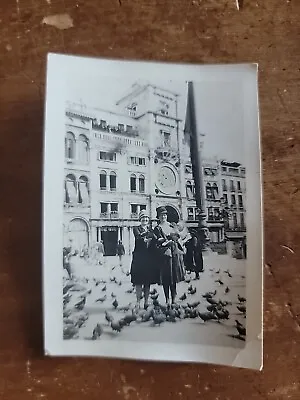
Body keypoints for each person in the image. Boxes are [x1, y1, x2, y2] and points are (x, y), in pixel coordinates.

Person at [153, 206, 185, 305]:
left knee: (174, 278)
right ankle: (167, 299)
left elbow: (178, 237)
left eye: (165, 215)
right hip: (164, 256)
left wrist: (174, 239)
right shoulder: (157, 228)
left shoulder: (172, 226)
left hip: (174, 254)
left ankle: (174, 298)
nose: (164, 217)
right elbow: (156, 242)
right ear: (158, 217)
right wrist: (164, 243)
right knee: (166, 278)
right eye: (161, 215)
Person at [130, 210, 157, 309]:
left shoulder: (151, 230)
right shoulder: (136, 228)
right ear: (140, 219)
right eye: (143, 218)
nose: (145, 220)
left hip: (148, 259)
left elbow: (155, 240)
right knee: (138, 282)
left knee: (147, 282)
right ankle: (137, 301)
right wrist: (146, 236)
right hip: (139, 258)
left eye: (146, 218)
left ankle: (146, 301)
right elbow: (138, 238)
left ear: (148, 219)